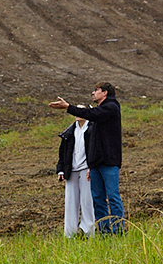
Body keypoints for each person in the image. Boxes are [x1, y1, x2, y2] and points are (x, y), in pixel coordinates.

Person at [48, 82, 124, 234]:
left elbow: (92, 114)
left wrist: (68, 107)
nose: (92, 93)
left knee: (113, 196)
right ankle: (104, 232)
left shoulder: (111, 107)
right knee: (98, 199)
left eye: (96, 90)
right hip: (96, 164)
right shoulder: (99, 112)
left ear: (105, 93)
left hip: (109, 162)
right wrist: (91, 165)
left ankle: (118, 231)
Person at [55, 108, 94, 237]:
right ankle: (70, 233)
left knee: (87, 201)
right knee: (70, 201)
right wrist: (61, 169)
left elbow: (95, 149)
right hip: (71, 170)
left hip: (86, 169)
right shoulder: (70, 131)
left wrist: (92, 166)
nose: (77, 113)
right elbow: (63, 152)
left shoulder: (92, 129)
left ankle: (88, 232)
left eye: (81, 110)